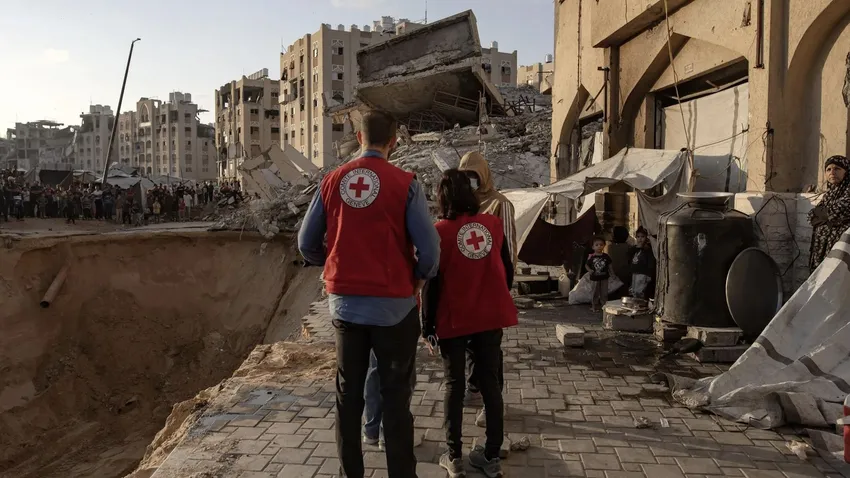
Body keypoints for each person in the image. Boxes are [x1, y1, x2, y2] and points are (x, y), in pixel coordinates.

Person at [298, 109, 440, 478]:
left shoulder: (331, 181)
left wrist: (333, 260)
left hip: (345, 309)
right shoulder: (405, 184)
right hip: (395, 308)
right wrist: (420, 276)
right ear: (394, 142)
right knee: (396, 399)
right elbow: (430, 250)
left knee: (348, 398)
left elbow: (306, 243)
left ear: (359, 138)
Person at [422, 169, 517, 478]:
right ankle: (491, 456)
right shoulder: (492, 225)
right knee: (491, 383)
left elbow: (432, 283)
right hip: (489, 316)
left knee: (454, 385)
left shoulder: (439, 232)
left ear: (442, 197)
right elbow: (507, 270)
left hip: (454, 318)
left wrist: (427, 326)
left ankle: (454, 457)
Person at [457, 151, 517, 424]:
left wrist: (505, 287)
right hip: (465, 289)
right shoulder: (462, 204)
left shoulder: (499, 204)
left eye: (474, 175)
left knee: (490, 348)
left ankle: (495, 401)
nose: (470, 180)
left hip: (490, 288)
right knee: (470, 344)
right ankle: (474, 389)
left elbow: (509, 249)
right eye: (465, 175)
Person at [808, 155, 850, 273]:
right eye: (828, 169)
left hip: (842, 250)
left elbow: (835, 212)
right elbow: (811, 216)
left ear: (846, 171)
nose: (832, 172)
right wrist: (827, 217)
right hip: (821, 249)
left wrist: (823, 215)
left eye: (837, 168)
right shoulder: (829, 194)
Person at [628, 226, 656, 299]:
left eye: (642, 237)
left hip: (643, 273)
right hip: (635, 272)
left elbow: (650, 262)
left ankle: (640, 303)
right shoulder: (635, 248)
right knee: (633, 290)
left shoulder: (648, 249)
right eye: (638, 237)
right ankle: (636, 302)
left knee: (640, 291)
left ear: (646, 237)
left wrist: (649, 274)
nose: (640, 239)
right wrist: (637, 247)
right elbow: (629, 255)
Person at [587, 237, 614, 312]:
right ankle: (594, 306)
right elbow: (586, 265)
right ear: (593, 247)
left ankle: (604, 306)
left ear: (604, 246)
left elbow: (610, 266)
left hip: (604, 278)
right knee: (594, 293)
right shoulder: (591, 257)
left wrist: (612, 274)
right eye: (597, 245)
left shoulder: (606, 256)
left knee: (604, 293)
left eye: (601, 245)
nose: (599, 246)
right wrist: (589, 270)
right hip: (594, 278)